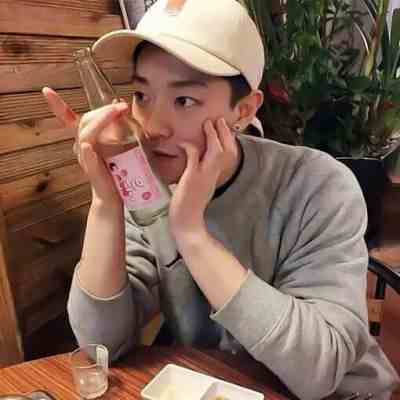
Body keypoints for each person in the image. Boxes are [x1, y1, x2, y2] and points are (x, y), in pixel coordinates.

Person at [42, 0, 399, 398]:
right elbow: (101, 346)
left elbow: (319, 372)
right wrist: (105, 204)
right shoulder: (147, 186)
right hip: (216, 384)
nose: (152, 127)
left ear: (243, 110)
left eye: (184, 100)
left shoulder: (317, 185)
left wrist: (191, 233)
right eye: (142, 95)